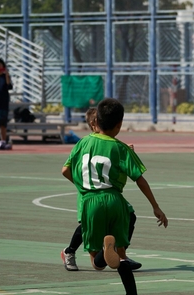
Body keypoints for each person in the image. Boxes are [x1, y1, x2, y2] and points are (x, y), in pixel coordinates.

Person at [61, 98, 168, 295]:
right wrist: (156, 207)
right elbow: (139, 178)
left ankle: (103, 252)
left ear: (96, 121)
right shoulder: (121, 148)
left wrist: (84, 187)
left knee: (97, 263)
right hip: (115, 201)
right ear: (119, 125)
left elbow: (65, 170)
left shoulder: (82, 143)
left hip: (91, 202)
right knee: (121, 255)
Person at [60, 108, 141, 272]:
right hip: (90, 193)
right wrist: (82, 185)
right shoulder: (85, 142)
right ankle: (69, 252)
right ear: (94, 123)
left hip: (106, 193)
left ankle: (120, 254)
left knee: (129, 215)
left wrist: (125, 150)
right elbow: (65, 169)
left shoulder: (108, 142)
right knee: (87, 225)